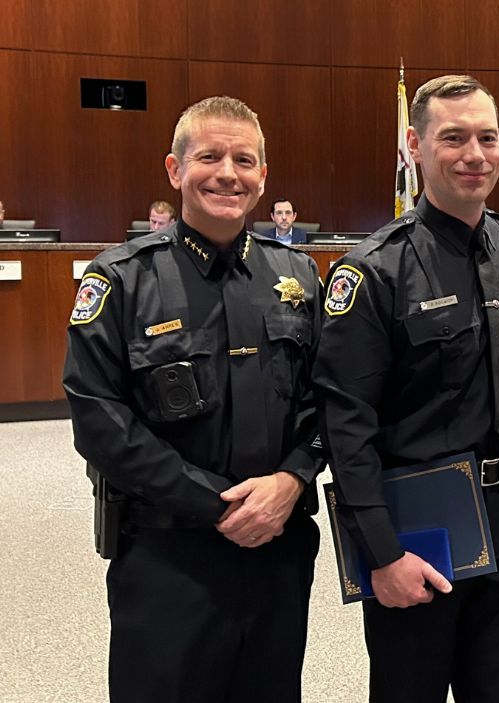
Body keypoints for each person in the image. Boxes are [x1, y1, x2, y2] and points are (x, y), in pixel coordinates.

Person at [63, 96, 324, 702]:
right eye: (209, 157)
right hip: (168, 555)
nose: (228, 173)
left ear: (263, 176)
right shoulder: (122, 279)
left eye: (244, 160)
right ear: (175, 169)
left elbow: (330, 400)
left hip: (278, 549)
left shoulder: (299, 277)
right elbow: (99, 419)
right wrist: (218, 505)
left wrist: (293, 477)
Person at [313, 75, 499, 703]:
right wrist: (381, 551)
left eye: (487, 138)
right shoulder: (374, 270)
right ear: (415, 146)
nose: (476, 154)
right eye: (454, 138)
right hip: (420, 521)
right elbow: (346, 423)